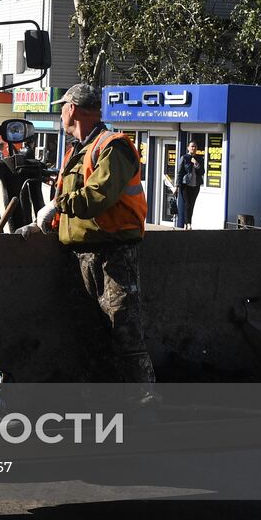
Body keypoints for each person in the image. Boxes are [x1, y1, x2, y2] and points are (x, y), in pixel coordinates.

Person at [49, 83, 155, 385]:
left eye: (62, 108)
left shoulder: (113, 146)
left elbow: (97, 196)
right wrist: (52, 218)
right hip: (84, 255)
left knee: (124, 331)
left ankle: (142, 404)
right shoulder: (77, 151)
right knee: (92, 333)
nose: (60, 115)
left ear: (72, 109)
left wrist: (57, 205)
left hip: (114, 256)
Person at [175, 141, 204, 229]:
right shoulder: (184, 157)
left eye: (195, 146)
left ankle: (188, 222)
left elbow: (202, 172)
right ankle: (188, 223)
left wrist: (196, 163)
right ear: (188, 148)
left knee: (192, 204)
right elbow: (180, 173)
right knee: (187, 204)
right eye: (192, 146)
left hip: (196, 185)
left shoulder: (199, 158)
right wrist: (177, 186)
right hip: (185, 184)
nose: (193, 148)